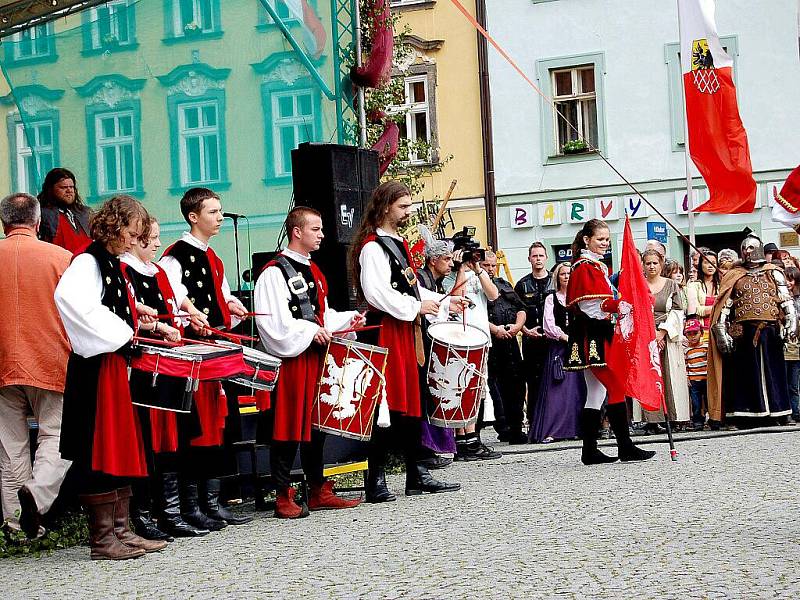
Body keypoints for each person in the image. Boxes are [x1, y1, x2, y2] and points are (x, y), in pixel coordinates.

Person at [54, 195, 167, 560]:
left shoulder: (111, 262)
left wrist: (137, 317)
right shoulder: (88, 261)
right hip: (97, 369)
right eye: (133, 234)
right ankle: (103, 539)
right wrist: (124, 332)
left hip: (113, 366)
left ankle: (121, 530)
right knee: (100, 451)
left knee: (121, 446)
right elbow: (72, 301)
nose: (136, 242)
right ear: (115, 227)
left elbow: (108, 306)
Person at [351, 181, 461, 502]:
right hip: (386, 330)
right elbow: (377, 292)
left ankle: (416, 473)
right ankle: (376, 479)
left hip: (405, 330)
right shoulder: (373, 247)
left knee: (412, 403)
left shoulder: (397, 244)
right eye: (403, 206)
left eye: (409, 206)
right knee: (385, 405)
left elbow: (412, 290)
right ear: (385, 207)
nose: (408, 212)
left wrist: (443, 301)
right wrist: (416, 306)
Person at [254, 207, 362, 518]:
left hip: (314, 357)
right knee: (287, 427)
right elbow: (273, 325)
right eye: (316, 229)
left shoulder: (313, 270)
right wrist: (311, 330)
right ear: (297, 232)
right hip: (290, 362)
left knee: (317, 424)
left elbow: (321, 316)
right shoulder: (274, 273)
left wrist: (346, 320)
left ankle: (317, 488)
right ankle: (282, 494)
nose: (322, 235)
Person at [159, 187, 250, 530]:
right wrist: (190, 320)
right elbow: (171, 302)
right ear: (193, 217)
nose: (220, 217)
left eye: (221, 210)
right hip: (192, 355)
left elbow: (221, 299)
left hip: (214, 353)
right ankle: (192, 504)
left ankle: (212, 502)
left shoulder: (214, 258)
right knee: (197, 429)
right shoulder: (174, 257)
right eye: (213, 212)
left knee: (216, 425)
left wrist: (232, 308)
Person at [121, 217, 213, 539]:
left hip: (170, 364)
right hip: (145, 368)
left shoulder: (158, 271)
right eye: (153, 238)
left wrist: (188, 320)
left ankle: (175, 512)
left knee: (178, 437)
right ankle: (148, 513)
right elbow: (128, 314)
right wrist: (157, 326)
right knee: (152, 442)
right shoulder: (124, 270)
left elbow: (175, 306)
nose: (159, 244)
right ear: (135, 239)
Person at [0, 193, 73, 538]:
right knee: (57, 435)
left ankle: (17, 526)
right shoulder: (61, 258)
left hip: (1, 364)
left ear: (4, 223)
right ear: (38, 221)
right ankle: (38, 492)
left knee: (10, 445)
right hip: (49, 358)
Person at [565, 219, 655, 465]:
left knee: (596, 393)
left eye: (606, 239)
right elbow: (591, 305)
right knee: (615, 387)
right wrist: (619, 306)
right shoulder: (585, 267)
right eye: (600, 239)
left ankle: (590, 451)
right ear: (587, 240)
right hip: (593, 336)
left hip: (596, 334)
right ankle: (625, 447)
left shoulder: (594, 266)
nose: (605, 243)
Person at [708, 234, 795, 427]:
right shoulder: (734, 275)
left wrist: (791, 321)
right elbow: (725, 307)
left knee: (776, 373)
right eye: (744, 249)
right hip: (744, 334)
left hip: (770, 331)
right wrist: (721, 331)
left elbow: (785, 299)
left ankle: (780, 413)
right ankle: (745, 416)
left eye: (750, 248)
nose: (747, 252)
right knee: (745, 376)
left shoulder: (774, 272)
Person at [448, 248, 501, 459]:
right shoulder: (452, 274)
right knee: (461, 388)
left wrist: (478, 269)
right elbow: (455, 298)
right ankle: (462, 441)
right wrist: (461, 268)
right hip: (460, 337)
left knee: (477, 389)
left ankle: (473, 438)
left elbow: (494, 295)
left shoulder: (480, 274)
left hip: (481, 338)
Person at [529, 262, 586, 443]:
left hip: (579, 348)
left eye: (570, 273)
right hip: (559, 348)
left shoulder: (581, 298)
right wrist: (564, 337)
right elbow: (548, 325)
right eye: (563, 274)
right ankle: (554, 430)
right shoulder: (551, 299)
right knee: (558, 390)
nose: (567, 277)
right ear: (557, 277)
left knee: (578, 389)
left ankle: (579, 428)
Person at [415, 226, 457, 468]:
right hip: (423, 343)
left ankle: (435, 448)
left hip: (433, 343)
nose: (451, 263)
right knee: (426, 395)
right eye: (447, 259)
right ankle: (426, 449)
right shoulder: (421, 279)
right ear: (433, 260)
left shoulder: (437, 281)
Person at [639, 249, 690, 430]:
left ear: (661, 264)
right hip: (645, 337)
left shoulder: (670, 285)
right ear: (643, 265)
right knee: (649, 375)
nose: (652, 266)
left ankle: (674, 416)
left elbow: (678, 310)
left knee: (669, 375)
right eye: (648, 263)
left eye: (655, 263)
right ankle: (652, 419)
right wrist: (651, 333)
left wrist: (663, 331)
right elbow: (635, 311)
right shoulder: (639, 284)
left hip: (668, 335)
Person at [482, 251, 527, 444]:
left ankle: (516, 428)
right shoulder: (476, 286)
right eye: (486, 265)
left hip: (510, 343)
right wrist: (495, 330)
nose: (491, 269)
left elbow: (521, 308)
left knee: (516, 386)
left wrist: (517, 327)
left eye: (493, 265)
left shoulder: (504, 284)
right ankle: (504, 427)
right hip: (491, 345)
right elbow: (475, 316)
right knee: (495, 389)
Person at [514, 242, 552, 425]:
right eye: (534, 256)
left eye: (541, 256)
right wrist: (525, 330)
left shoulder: (555, 280)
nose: (538, 259)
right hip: (531, 341)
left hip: (552, 340)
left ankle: (554, 422)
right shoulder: (522, 285)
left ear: (546, 258)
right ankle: (534, 422)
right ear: (529, 259)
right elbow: (515, 313)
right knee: (534, 382)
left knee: (554, 379)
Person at [37, 168, 91, 254]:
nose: (69, 191)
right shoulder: (41, 215)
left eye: (71, 187)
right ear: (51, 189)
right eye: (63, 187)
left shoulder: (85, 213)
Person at [687, 250, 720, 337]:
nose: (710, 266)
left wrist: (707, 310)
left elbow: (727, 306)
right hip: (701, 331)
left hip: (721, 330)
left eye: (713, 263)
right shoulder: (693, 286)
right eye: (706, 262)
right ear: (700, 265)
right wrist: (717, 308)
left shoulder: (722, 285)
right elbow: (696, 310)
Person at [684, 317, 709, 431]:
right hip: (694, 380)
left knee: (708, 401)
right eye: (689, 334)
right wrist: (687, 378)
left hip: (706, 378)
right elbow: (686, 365)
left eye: (695, 333)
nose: (693, 336)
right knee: (696, 403)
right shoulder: (687, 350)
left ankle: (711, 419)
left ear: (701, 333)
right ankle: (698, 422)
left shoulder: (706, 347)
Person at [784, 266, 800, 423]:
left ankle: (796, 411)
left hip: (796, 348)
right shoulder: (780, 298)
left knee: (794, 385)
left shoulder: (798, 300)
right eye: (786, 280)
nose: (788, 283)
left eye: (791, 279)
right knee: (785, 383)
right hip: (784, 348)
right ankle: (788, 412)